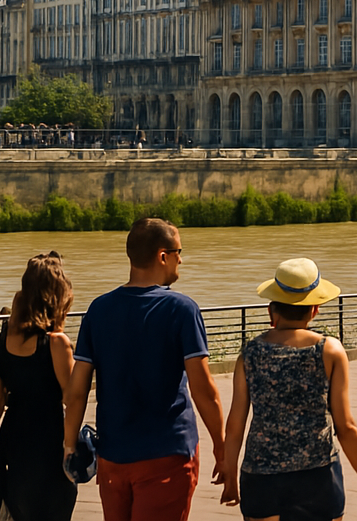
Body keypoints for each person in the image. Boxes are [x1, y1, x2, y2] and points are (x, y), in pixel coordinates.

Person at [62, 217, 225, 521]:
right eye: (179, 252)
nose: (182, 260)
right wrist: (222, 446)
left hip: (113, 457)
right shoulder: (181, 309)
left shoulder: (98, 310)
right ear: (163, 256)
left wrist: (70, 445)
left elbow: (76, 390)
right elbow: (204, 389)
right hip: (167, 454)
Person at [220, 258, 357, 521]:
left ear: (272, 310)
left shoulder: (249, 353)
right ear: (315, 309)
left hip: (260, 476)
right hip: (318, 475)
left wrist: (230, 475)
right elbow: (346, 426)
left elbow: (235, 423)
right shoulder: (330, 351)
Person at [0, 251, 79, 521]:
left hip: (11, 445)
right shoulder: (56, 343)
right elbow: (73, 399)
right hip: (48, 449)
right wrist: (71, 448)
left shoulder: (0, 344)